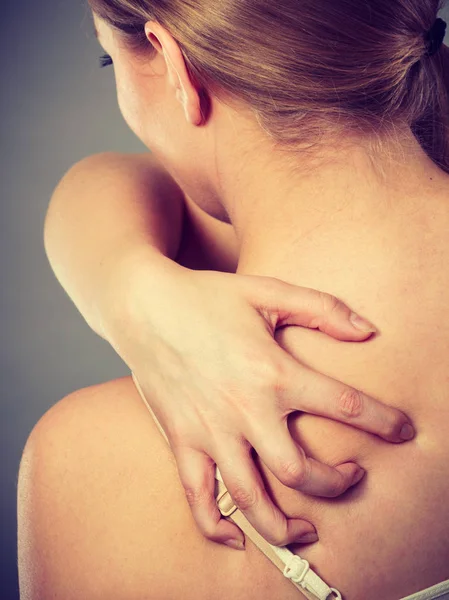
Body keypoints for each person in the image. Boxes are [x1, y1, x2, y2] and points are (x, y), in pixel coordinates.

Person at [17, 0, 449, 598]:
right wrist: (130, 284)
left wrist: (128, 285)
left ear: (174, 65)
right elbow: (112, 180)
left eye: (105, 58)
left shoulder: (88, 470)